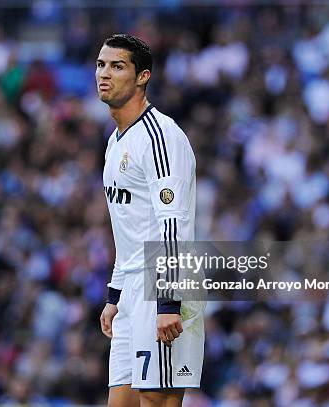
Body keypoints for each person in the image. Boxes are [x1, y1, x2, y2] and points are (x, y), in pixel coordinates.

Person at [97, 34, 205, 407]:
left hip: (162, 288)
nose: (104, 74)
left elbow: (171, 227)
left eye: (117, 66)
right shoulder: (115, 142)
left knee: (156, 402)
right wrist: (115, 295)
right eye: (100, 65)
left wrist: (168, 303)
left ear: (143, 76)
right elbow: (127, 228)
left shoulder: (160, 137)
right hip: (131, 292)